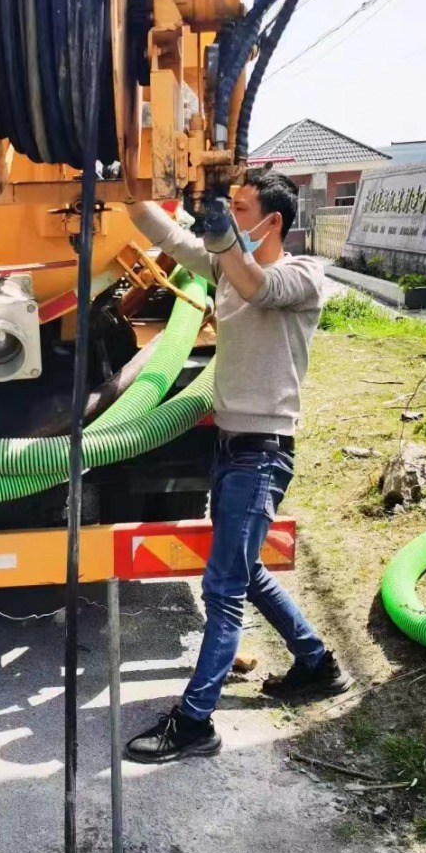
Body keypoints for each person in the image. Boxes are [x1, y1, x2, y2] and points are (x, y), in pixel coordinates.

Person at [124, 172, 351, 765]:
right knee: (242, 570)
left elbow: (255, 286)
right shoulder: (229, 263)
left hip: (263, 453)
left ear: (271, 221)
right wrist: (126, 184)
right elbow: (167, 236)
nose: (225, 215)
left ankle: (195, 722)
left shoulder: (303, 277)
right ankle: (316, 663)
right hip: (231, 448)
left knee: (223, 588)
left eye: (239, 208)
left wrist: (224, 241)